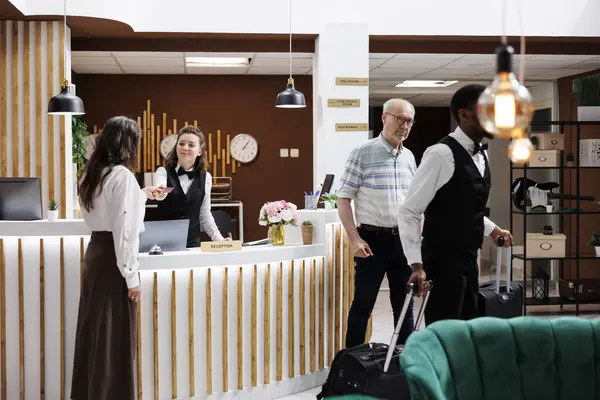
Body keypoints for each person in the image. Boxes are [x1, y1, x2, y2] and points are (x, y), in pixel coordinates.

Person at [398, 84, 513, 325]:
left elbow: (462, 204)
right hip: (442, 260)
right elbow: (409, 211)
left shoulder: (482, 154)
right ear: (464, 114)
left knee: (468, 327)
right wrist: (416, 265)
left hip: (469, 258)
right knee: (445, 331)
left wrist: (492, 230)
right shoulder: (440, 154)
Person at [71, 116, 162, 399]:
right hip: (113, 260)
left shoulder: (90, 174)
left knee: (95, 331)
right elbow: (125, 231)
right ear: (128, 144)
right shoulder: (122, 176)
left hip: (96, 253)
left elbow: (107, 212)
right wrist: (131, 275)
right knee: (114, 335)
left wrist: (140, 194)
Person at [337, 98, 418, 348]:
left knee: (405, 307)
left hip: (403, 241)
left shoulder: (409, 157)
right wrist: (354, 238)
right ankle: (350, 363)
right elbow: (343, 199)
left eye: (409, 121)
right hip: (371, 242)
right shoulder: (363, 153)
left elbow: (414, 202)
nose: (404, 126)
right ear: (384, 118)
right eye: (400, 119)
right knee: (363, 306)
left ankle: (405, 363)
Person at [151, 125, 230, 247]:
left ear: (199, 151)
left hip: (192, 242)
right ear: (176, 147)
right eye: (181, 143)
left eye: (191, 145)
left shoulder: (206, 177)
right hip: (164, 242)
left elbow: (205, 214)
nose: (185, 148)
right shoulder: (162, 172)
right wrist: (161, 192)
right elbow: (160, 191)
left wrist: (219, 240)